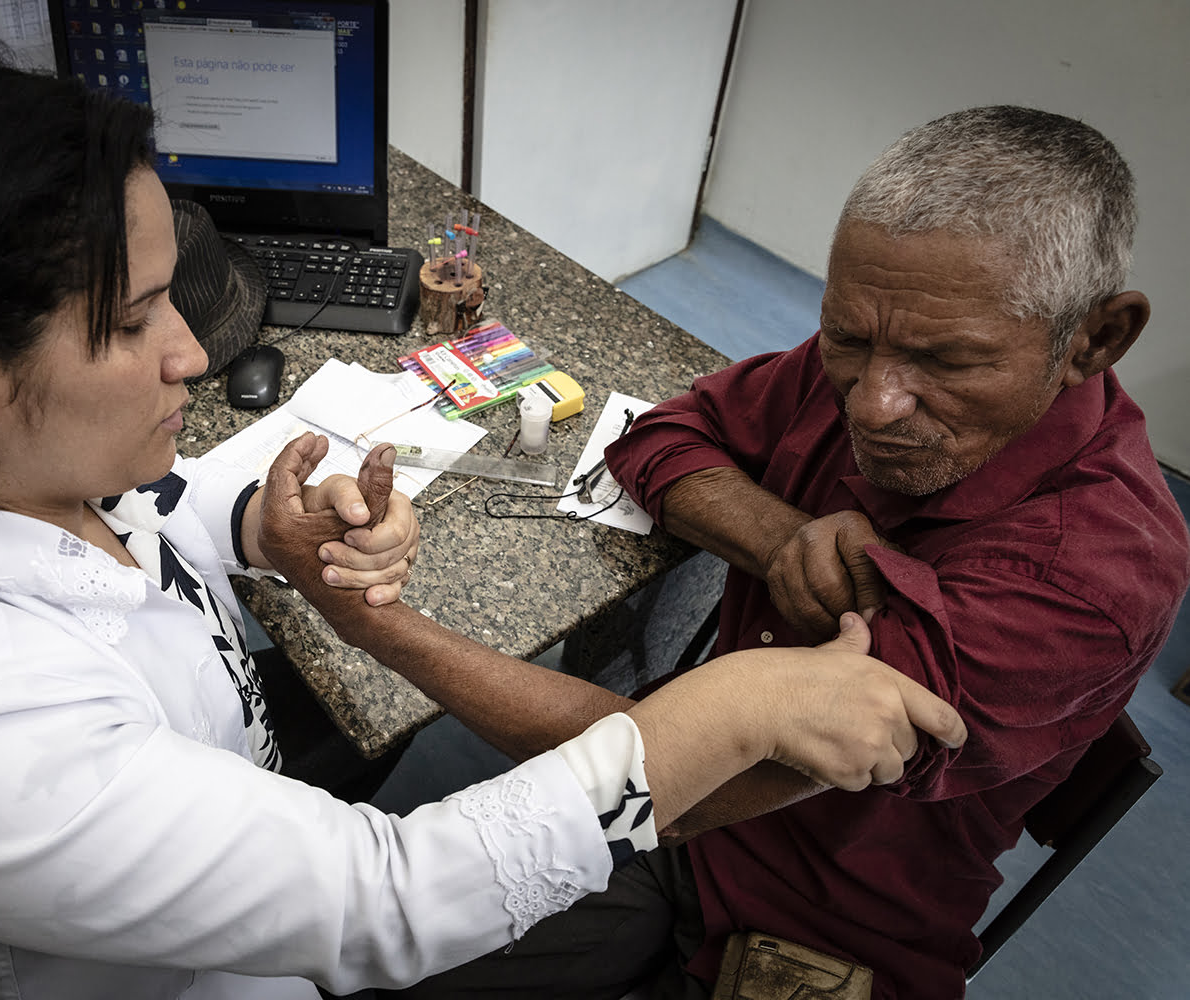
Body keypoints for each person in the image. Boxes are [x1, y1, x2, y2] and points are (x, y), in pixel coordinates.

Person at [0, 33, 968, 1000]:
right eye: (134, 320)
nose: (188, 355)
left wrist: (264, 527)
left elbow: (140, 509)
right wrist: (737, 706)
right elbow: (385, 904)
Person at [388, 106, 1190, 1000]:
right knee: (382, 964)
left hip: (828, 912)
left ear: (1095, 339)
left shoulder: (1093, 571)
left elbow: (676, 774)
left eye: (950, 362)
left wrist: (377, 624)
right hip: (681, 831)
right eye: (849, 337)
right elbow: (662, 437)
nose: (875, 403)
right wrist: (781, 541)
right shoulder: (879, 344)